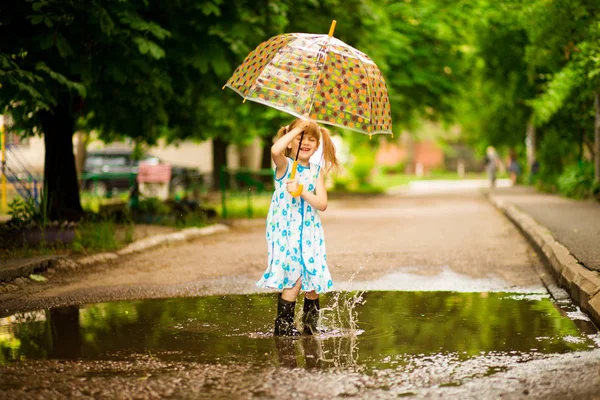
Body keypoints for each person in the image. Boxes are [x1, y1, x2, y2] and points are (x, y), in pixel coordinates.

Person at [257, 116, 340, 336]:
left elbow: (321, 204)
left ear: (316, 146)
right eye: (304, 136)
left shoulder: (316, 171)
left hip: (310, 232)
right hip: (287, 231)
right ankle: (283, 327)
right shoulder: (285, 165)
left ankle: (311, 327)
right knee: (293, 276)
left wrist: (302, 190)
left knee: (312, 281)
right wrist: (297, 129)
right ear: (291, 141)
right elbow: (275, 150)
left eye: (313, 139)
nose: (307, 141)